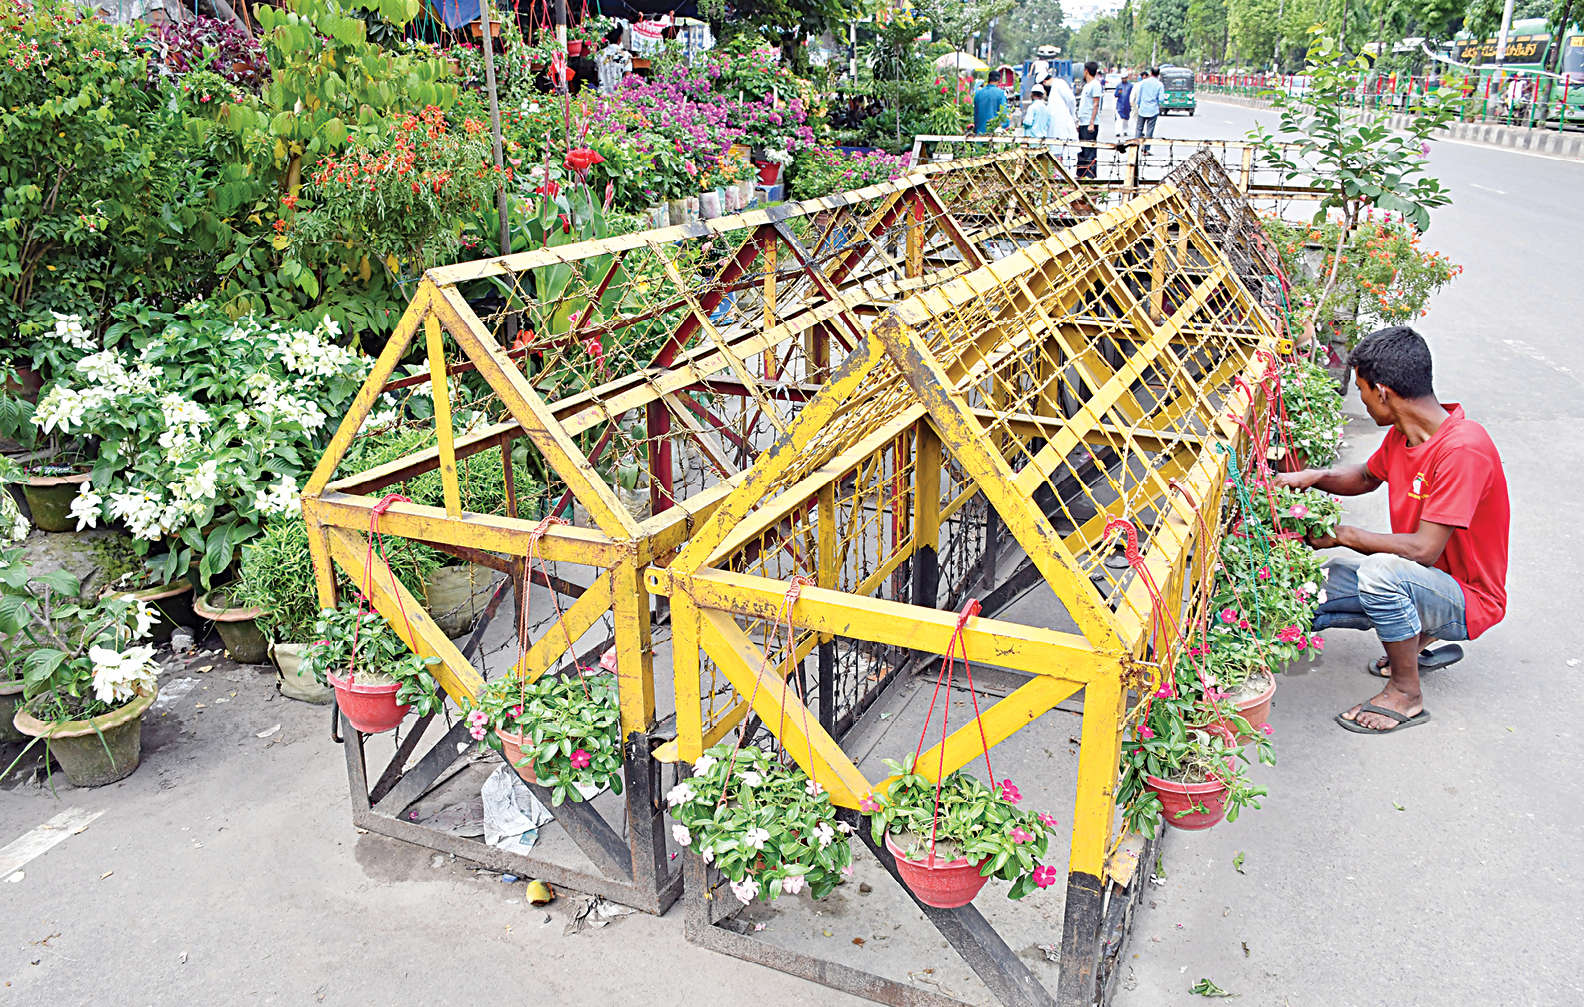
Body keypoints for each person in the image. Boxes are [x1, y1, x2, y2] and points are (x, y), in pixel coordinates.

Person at [1276, 325, 1509, 735]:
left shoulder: (1462, 449)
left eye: (1362, 390)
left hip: (1468, 599)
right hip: (1425, 581)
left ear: (1382, 392)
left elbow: (1423, 550)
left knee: (1382, 574)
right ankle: (1414, 639)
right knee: (1315, 589)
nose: (1362, 399)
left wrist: (1342, 534)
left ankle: (1405, 691)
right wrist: (1314, 477)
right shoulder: (1406, 434)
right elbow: (1368, 476)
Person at [1076, 60, 1102, 180]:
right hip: (1083, 121)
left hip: (1090, 123)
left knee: (1090, 149)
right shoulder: (1087, 86)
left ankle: (1090, 175)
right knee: (1082, 149)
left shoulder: (1095, 85)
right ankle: (1081, 174)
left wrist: (1091, 123)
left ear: (1086, 71)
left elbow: (1096, 104)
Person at [1133, 66, 1164, 154]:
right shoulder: (1160, 85)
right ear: (1158, 74)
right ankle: (1146, 150)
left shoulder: (1143, 83)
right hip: (1153, 110)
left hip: (1142, 109)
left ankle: (1135, 147)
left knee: (1139, 129)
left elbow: (1139, 97)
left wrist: (1139, 105)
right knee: (1149, 130)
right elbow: (1161, 99)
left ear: (1150, 73)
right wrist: (1156, 102)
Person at [1113, 68, 1134, 151]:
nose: (1124, 79)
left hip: (1127, 105)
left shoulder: (1130, 86)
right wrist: (1118, 92)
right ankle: (1118, 131)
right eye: (1122, 78)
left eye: (1125, 78)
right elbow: (1115, 95)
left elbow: (1133, 95)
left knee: (1126, 119)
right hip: (1120, 104)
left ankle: (1125, 130)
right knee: (1119, 119)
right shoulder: (1119, 86)